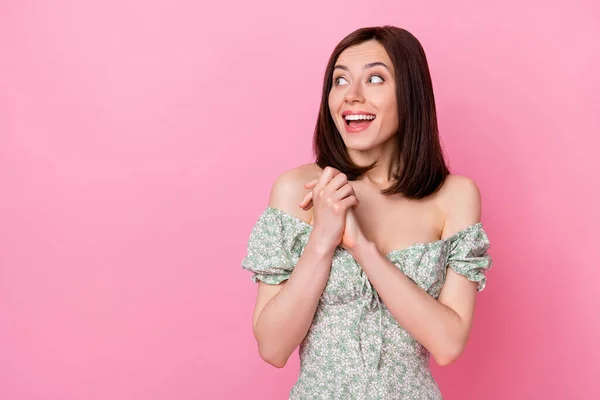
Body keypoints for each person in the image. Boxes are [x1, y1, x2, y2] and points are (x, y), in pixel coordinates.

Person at [241, 25, 493, 400]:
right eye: (339, 81)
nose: (351, 96)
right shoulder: (298, 190)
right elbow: (273, 348)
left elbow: (447, 344)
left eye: (374, 78)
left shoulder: (454, 196)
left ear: (410, 94)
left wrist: (360, 245)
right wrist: (323, 240)